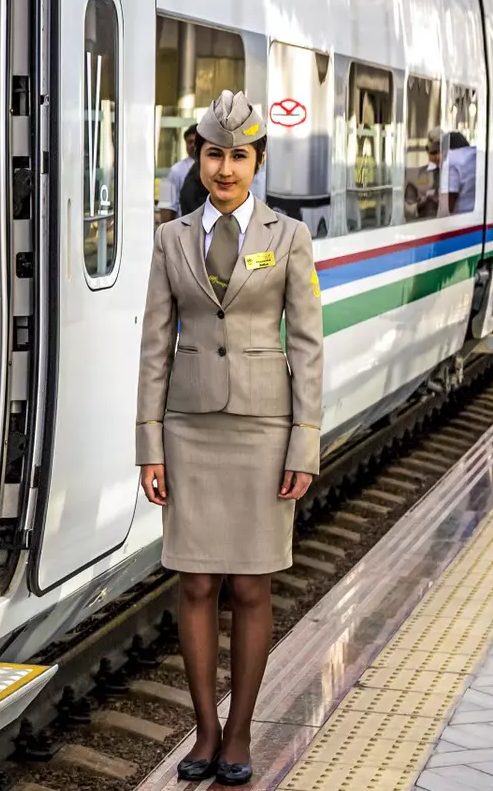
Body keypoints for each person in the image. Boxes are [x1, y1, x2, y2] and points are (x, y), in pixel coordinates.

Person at [135, 90, 324, 787]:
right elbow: (156, 345)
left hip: (263, 428)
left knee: (249, 584)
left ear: (258, 161)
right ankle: (204, 730)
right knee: (194, 581)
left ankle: (240, 729)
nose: (225, 168)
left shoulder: (288, 238)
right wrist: (148, 444)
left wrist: (304, 443)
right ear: (199, 157)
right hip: (189, 427)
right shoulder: (171, 239)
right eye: (214, 154)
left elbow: (306, 348)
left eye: (238, 156)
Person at [157, 125, 198, 224]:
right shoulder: (175, 171)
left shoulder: (213, 168)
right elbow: (167, 206)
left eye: (195, 142)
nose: (193, 145)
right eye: (189, 142)